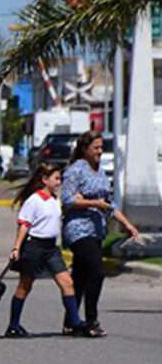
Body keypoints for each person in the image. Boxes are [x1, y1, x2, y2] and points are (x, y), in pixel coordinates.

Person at [61, 131, 139, 337]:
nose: (100, 151)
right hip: (78, 229)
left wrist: (128, 225)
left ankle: (71, 321)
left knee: (80, 275)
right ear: (85, 149)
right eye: (95, 148)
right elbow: (68, 200)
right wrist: (93, 202)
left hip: (96, 229)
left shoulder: (101, 172)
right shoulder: (75, 170)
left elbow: (109, 204)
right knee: (96, 271)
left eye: (101, 147)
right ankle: (90, 321)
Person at [5, 163, 86, 338]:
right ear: (44, 180)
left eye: (60, 179)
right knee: (25, 286)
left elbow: (59, 213)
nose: (59, 182)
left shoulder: (55, 199)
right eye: (56, 178)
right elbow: (24, 225)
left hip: (51, 248)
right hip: (34, 246)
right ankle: (13, 326)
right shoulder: (33, 201)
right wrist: (16, 247)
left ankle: (75, 322)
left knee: (67, 282)